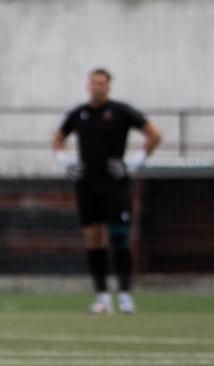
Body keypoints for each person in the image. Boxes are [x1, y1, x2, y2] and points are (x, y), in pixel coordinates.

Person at [51, 68, 162, 314]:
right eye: (94, 83)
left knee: (119, 238)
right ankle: (102, 298)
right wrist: (64, 161)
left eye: (102, 83)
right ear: (88, 86)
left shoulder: (121, 112)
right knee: (93, 240)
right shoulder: (79, 114)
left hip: (115, 184)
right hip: (87, 185)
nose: (97, 87)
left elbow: (154, 135)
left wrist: (135, 161)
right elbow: (58, 138)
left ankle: (124, 296)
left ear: (108, 87)